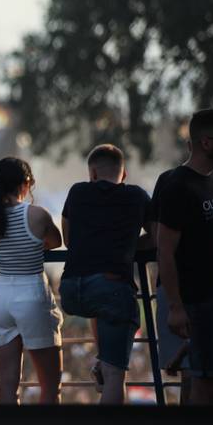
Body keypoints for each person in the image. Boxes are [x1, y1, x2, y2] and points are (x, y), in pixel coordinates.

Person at [58, 144, 152, 404]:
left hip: (72, 289)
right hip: (111, 288)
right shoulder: (136, 196)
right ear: (124, 174)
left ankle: (103, 357)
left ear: (93, 173)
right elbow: (157, 236)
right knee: (114, 376)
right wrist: (129, 246)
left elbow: (68, 239)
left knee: (100, 304)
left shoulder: (77, 192)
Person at [156, 108, 213, 404]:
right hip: (200, 301)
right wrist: (176, 307)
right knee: (205, 382)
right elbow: (165, 250)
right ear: (205, 142)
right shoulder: (179, 185)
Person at [0, 157, 63, 405]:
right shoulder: (37, 215)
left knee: (8, 385)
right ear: (26, 183)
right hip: (33, 294)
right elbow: (55, 242)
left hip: (1, 298)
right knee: (50, 387)